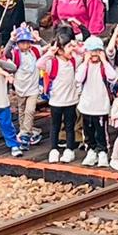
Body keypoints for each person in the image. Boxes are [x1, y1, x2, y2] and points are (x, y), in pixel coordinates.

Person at [38, 35, 81, 163]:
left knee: (70, 126)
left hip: (71, 100)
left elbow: (83, 53)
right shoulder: (53, 63)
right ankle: (54, 149)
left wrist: (75, 47)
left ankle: (69, 150)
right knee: (55, 126)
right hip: (56, 101)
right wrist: (50, 53)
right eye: (68, 47)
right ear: (60, 50)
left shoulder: (73, 61)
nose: (71, 50)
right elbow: (39, 64)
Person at [76, 36, 117, 167]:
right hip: (86, 105)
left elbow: (112, 77)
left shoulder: (104, 66)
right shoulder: (84, 66)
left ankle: (102, 151)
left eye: (97, 51)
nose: (94, 54)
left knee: (101, 131)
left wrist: (104, 60)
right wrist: (85, 62)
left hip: (101, 106)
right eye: (91, 51)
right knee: (88, 131)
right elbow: (78, 78)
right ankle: (91, 150)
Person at [8, 25, 44, 149]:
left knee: (30, 110)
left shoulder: (35, 51)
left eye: (27, 42)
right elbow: (6, 53)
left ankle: (25, 134)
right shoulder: (15, 53)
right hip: (20, 87)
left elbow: (49, 49)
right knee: (22, 110)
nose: (25, 45)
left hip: (33, 88)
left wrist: (38, 39)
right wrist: (11, 39)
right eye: (22, 42)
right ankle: (25, 130)